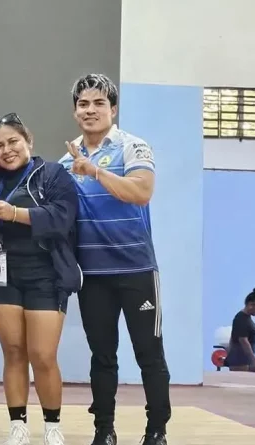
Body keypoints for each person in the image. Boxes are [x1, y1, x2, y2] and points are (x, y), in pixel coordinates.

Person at [59, 73, 170, 445]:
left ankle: (157, 430)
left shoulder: (132, 147)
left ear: (113, 108)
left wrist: (95, 171)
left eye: (98, 103)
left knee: (149, 354)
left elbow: (141, 192)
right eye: (83, 104)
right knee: (102, 356)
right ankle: (104, 431)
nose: (90, 110)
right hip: (93, 276)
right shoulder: (66, 160)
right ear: (75, 111)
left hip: (137, 269)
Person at [0, 113, 81, 445]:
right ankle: (18, 426)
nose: (7, 150)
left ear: (28, 140)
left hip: (46, 275)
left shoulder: (53, 174)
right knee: (13, 352)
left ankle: (52, 425)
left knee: (42, 355)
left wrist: (16, 214)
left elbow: (62, 219)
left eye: (13, 141)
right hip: (3, 275)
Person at [225, 288, 255, 372]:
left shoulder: (246, 319)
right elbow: (244, 342)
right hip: (239, 362)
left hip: (245, 361)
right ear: (251, 305)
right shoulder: (241, 319)